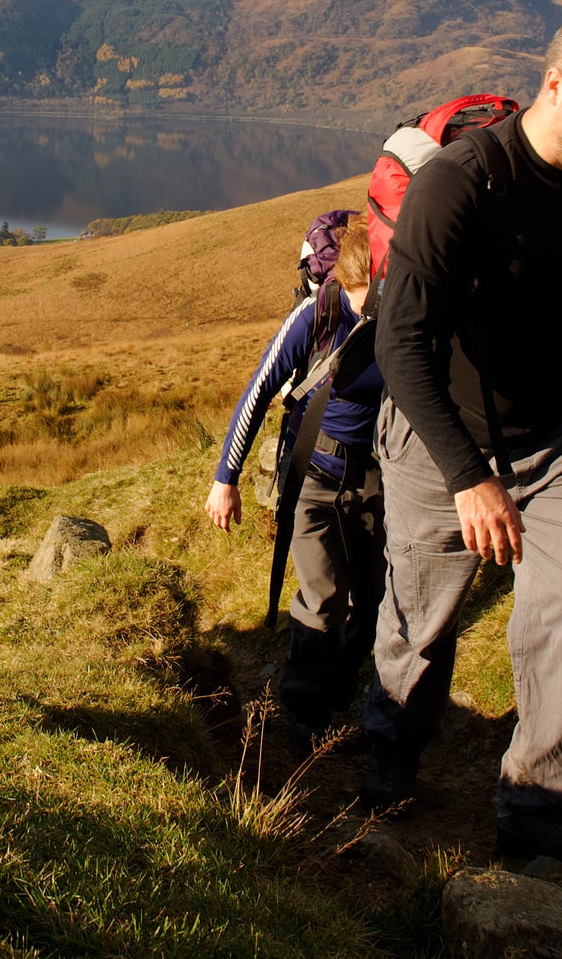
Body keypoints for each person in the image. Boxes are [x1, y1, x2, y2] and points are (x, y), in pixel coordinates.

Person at [363, 8, 562, 865]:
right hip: (441, 441)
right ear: (555, 84)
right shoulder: (464, 182)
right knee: (422, 622)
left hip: (557, 434)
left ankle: (535, 817)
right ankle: (385, 768)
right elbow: (401, 344)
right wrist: (469, 476)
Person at [206, 213, 386, 749]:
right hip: (311, 472)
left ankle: (338, 691)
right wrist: (226, 478)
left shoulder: (400, 312)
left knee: (373, 597)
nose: (366, 313)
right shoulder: (315, 316)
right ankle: (302, 713)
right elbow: (259, 389)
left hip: (375, 473)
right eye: (358, 300)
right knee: (325, 594)